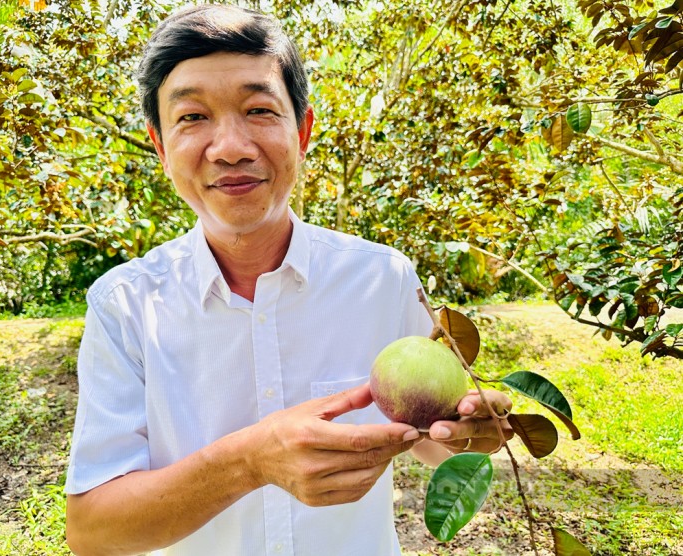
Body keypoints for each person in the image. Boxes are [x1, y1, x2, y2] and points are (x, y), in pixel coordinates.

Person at [64, 4, 513, 555]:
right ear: (160, 147)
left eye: (258, 110)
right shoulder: (125, 305)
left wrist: (469, 431)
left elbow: (429, 439)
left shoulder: (382, 278)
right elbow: (93, 531)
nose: (231, 148)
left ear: (302, 131)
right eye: (192, 117)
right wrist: (249, 461)